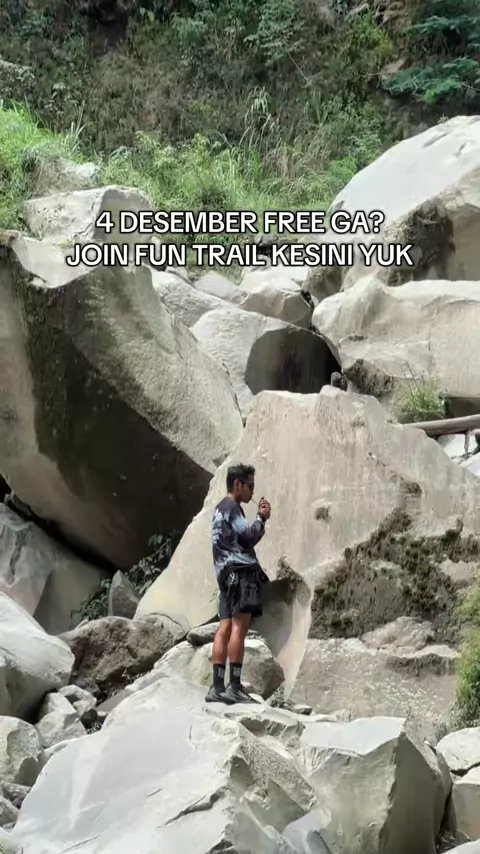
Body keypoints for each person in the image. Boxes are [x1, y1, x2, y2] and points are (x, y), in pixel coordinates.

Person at [205, 463, 271, 704]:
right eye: (250, 486)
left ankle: (217, 687)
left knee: (224, 628)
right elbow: (249, 537)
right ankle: (234, 687)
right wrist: (261, 518)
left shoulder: (218, 510)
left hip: (224, 575)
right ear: (237, 484)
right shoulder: (233, 508)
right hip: (241, 573)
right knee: (238, 629)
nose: (252, 492)